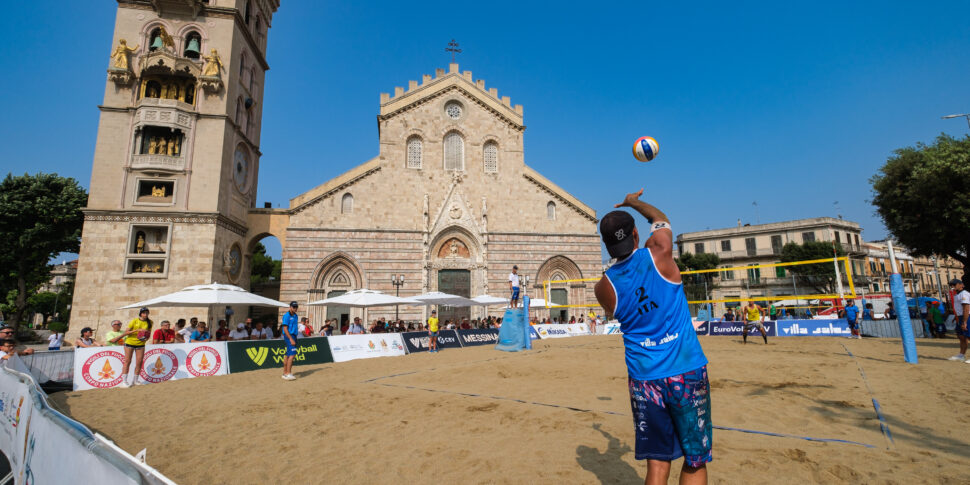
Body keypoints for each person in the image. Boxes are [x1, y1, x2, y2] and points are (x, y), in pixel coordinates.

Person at [593, 189, 711, 484]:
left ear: (607, 246)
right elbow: (660, 219)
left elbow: (614, 311)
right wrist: (634, 203)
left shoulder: (603, 288)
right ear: (635, 234)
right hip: (685, 370)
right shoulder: (659, 253)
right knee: (694, 460)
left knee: (657, 466)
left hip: (644, 379)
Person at [119, 307, 153, 388]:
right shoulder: (134, 321)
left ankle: (135, 380)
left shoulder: (150, 322)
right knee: (127, 361)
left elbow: (149, 333)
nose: (145, 314)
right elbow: (126, 332)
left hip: (141, 343)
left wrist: (145, 338)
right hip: (130, 342)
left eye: (147, 313)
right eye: (144, 313)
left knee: (139, 362)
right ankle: (124, 381)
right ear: (140, 314)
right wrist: (136, 330)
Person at [947, 279, 969, 363]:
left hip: (967, 316)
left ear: (961, 285)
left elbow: (966, 308)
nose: (952, 286)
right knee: (961, 337)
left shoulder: (964, 294)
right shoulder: (956, 295)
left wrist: (965, 321)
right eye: (951, 285)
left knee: (968, 335)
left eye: (954, 284)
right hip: (960, 317)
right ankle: (961, 355)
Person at [281, 301, 300, 381]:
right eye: (294, 307)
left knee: (288, 355)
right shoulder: (286, 316)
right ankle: (288, 373)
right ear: (290, 307)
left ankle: (285, 373)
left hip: (294, 335)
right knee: (292, 354)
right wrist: (291, 339)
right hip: (289, 335)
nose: (295, 308)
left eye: (296, 307)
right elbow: (285, 329)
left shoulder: (296, 316)